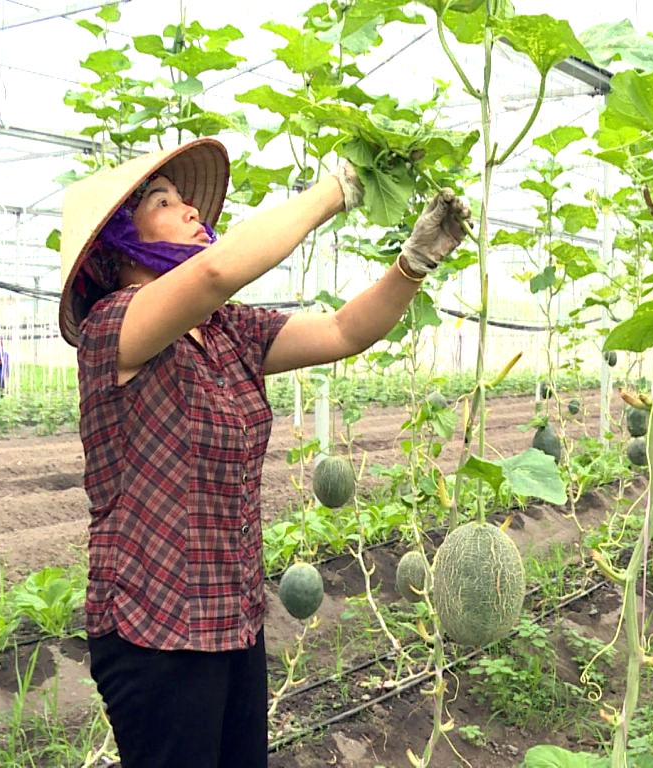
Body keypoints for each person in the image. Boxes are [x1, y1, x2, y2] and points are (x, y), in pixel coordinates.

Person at [57, 137, 470, 768]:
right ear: (118, 247)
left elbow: (342, 330)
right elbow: (219, 270)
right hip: (154, 627)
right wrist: (339, 187)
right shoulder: (112, 328)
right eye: (165, 202)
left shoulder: (229, 332)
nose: (194, 210)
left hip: (231, 618)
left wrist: (412, 263)